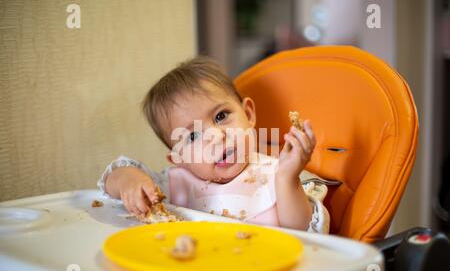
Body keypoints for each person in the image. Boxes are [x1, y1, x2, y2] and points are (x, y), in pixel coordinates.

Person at [97, 56, 329, 233]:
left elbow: (306, 237)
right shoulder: (173, 185)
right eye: (193, 136)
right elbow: (112, 180)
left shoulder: (279, 174)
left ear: (248, 114)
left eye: (221, 116)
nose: (216, 137)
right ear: (179, 159)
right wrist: (130, 181)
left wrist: (288, 180)